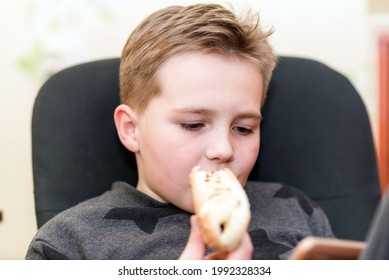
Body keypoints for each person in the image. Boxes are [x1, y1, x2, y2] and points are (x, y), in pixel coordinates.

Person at [26, 3, 334, 260]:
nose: (223, 149)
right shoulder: (67, 245)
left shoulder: (298, 212)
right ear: (132, 130)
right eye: (193, 124)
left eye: (243, 128)